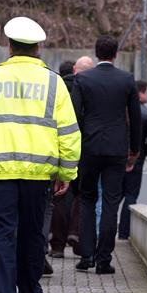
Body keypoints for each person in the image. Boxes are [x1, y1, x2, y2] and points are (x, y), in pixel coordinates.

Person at [0, 16, 81, 293]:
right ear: (39, 47)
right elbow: (68, 133)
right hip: (39, 174)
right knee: (32, 233)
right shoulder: (54, 82)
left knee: (2, 234)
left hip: (0, 173)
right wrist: (66, 172)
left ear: (9, 46)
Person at [71, 35, 141, 274]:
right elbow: (135, 116)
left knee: (87, 199)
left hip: (89, 147)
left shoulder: (83, 79)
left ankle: (87, 255)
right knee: (111, 202)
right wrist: (135, 149)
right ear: (116, 54)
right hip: (117, 149)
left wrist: (77, 143)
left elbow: (75, 115)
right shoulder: (127, 80)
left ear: (96, 53)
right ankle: (104, 259)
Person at [50, 56, 94, 258]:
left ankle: (57, 246)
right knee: (81, 194)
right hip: (83, 148)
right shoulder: (90, 88)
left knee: (58, 196)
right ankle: (76, 235)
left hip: (57, 147)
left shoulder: (56, 87)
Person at [118, 80, 147, 239]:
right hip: (136, 160)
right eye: (146, 92)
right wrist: (143, 152)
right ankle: (123, 233)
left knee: (114, 196)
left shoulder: (121, 110)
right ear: (140, 93)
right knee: (131, 195)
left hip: (118, 157)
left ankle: (105, 230)